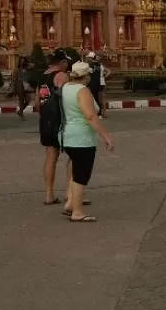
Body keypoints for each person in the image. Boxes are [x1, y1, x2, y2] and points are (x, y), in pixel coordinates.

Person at [60, 60, 115, 223]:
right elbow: (90, 116)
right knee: (81, 175)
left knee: (76, 170)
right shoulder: (82, 91)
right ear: (86, 75)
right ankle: (77, 211)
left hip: (68, 135)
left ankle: (71, 203)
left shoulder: (66, 87)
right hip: (82, 137)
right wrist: (106, 136)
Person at [37, 51, 71, 205]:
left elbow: (37, 104)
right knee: (74, 157)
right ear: (62, 62)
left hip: (46, 120)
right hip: (61, 120)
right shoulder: (61, 76)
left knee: (51, 158)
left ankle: (49, 194)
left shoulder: (42, 77)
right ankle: (71, 193)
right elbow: (68, 98)